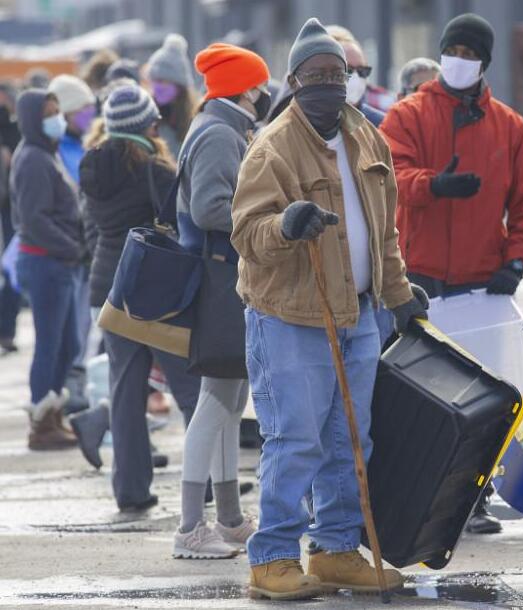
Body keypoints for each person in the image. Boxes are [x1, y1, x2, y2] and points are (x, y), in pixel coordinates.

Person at [231, 18, 427, 600]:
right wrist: (286, 225)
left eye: (336, 74)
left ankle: (337, 549)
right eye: (315, 75)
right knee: (295, 438)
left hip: (358, 313)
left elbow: (384, 230)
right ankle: (272, 558)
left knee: (351, 439)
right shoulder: (273, 146)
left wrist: (398, 296)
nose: (328, 84)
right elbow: (245, 233)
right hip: (291, 314)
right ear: (294, 81)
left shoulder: (368, 136)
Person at [380, 13, 523, 534]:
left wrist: (516, 261)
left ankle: (472, 500)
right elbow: (390, 176)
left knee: (485, 402)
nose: (459, 60)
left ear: (484, 62)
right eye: (452, 50)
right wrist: (433, 186)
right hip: (421, 285)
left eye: (470, 53)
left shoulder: (510, 127)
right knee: (420, 401)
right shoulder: (407, 115)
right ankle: (417, 496)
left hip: (482, 289)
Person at [78, 84, 200, 511]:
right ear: (148, 124)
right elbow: (184, 228)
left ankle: (130, 491)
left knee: (126, 392)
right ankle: (203, 484)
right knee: (191, 390)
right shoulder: (153, 169)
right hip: (153, 291)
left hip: (109, 290)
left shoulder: (91, 165)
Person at [171, 42, 272, 560]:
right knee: (215, 403)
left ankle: (229, 518)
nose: (264, 93)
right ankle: (191, 528)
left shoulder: (217, 126)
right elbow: (213, 210)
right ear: (245, 88)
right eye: (258, 84)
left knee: (230, 401)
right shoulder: (218, 133)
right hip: (220, 280)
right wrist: (263, 217)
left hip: (221, 279)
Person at [10, 89, 82, 450]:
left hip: (57, 263)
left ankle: (53, 412)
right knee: (51, 345)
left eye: (58, 111)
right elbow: (36, 220)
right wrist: (74, 248)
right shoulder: (34, 159)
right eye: (49, 113)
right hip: (46, 262)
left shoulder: (44, 154)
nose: (57, 118)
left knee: (68, 345)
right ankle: (42, 423)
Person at [47, 74, 98, 415]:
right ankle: (65, 390)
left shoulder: (82, 144)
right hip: (67, 250)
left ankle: (75, 384)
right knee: (68, 324)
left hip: (84, 249)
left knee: (84, 323)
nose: (89, 117)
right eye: (82, 111)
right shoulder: (56, 151)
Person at [145, 34, 198, 159]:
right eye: (155, 81)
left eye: (163, 81)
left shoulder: (195, 118)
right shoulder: (148, 116)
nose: (158, 86)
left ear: (179, 85)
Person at [327, 26, 384, 126]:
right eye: (348, 70)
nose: (355, 77)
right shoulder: (301, 122)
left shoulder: (380, 124)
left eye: (362, 71)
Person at [0, 80, 20, 355]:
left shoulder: (15, 130)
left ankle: (6, 331)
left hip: (11, 208)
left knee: (10, 270)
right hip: (9, 207)